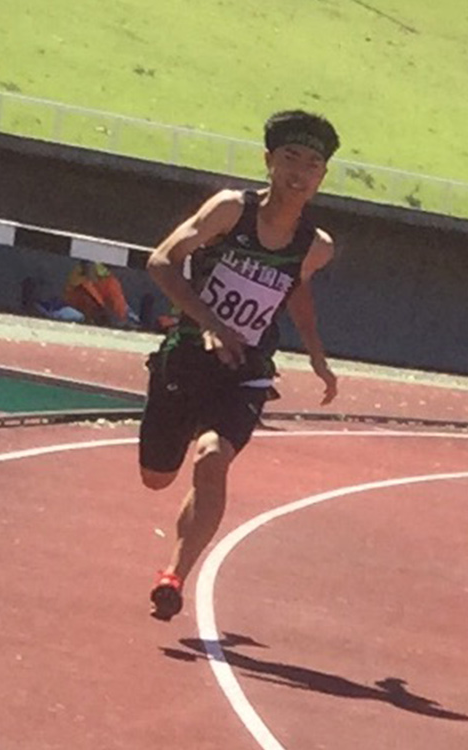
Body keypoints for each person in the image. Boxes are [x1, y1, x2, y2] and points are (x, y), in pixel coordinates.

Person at [139, 110, 341, 621]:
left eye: (312, 164)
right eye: (290, 158)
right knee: (157, 477)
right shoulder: (230, 211)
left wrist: (317, 354)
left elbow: (296, 289)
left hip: (245, 368)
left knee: (212, 457)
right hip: (186, 356)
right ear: (269, 161)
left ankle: (174, 575)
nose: (299, 172)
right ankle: (173, 446)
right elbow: (161, 261)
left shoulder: (316, 247)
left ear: (321, 177)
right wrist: (209, 322)